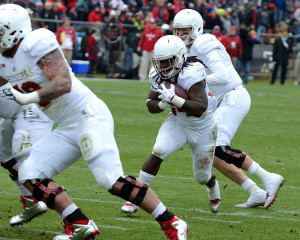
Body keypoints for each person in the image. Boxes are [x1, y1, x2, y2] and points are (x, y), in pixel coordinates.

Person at [0, 4, 187, 240]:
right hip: (66, 125)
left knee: (110, 179)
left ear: (12, 31)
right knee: (29, 173)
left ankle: (172, 222)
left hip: (88, 115)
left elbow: (62, 82)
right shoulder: (4, 59)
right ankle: (80, 225)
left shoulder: (35, 42)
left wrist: (29, 97)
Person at [172, 9, 284, 209]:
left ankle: (268, 178)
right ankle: (255, 191)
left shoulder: (204, 42)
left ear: (196, 29)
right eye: (177, 31)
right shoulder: (185, 50)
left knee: (219, 147)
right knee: (209, 154)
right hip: (217, 99)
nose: (180, 35)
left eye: (184, 31)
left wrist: (193, 84)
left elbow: (223, 76)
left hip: (232, 95)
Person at [121, 35, 221, 215]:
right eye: (161, 61)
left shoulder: (193, 73)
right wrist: (162, 104)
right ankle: (136, 197)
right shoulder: (156, 73)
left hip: (202, 125)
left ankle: (213, 188)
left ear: (181, 57)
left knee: (202, 176)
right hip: (177, 121)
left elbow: (200, 108)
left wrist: (174, 99)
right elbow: (150, 103)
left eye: (169, 61)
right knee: (158, 150)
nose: (164, 66)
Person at [0, 100, 53, 227]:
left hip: (32, 109)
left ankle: (76, 219)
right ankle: (31, 201)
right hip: (25, 107)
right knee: (3, 152)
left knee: (29, 165)